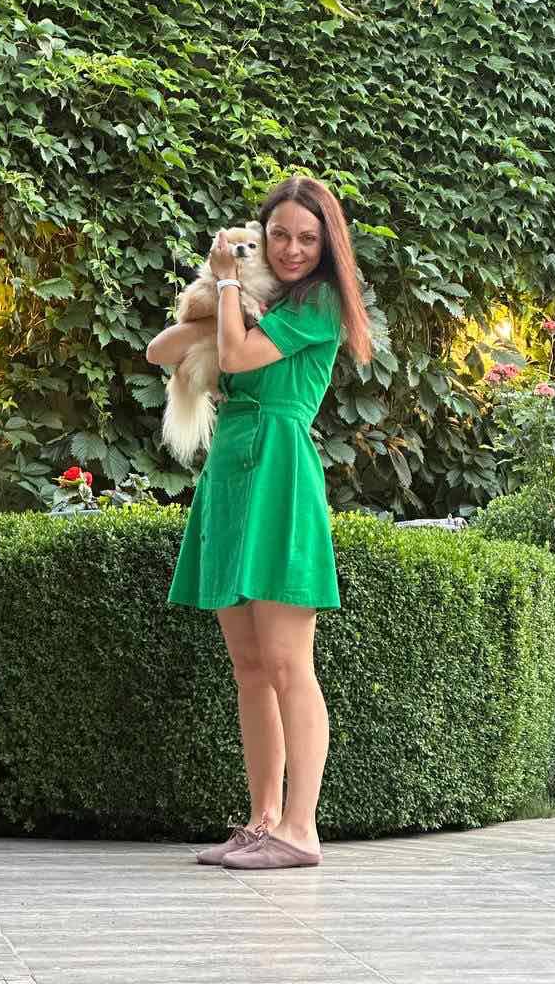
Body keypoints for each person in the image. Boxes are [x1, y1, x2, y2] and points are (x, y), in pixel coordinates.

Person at [145, 175, 372, 870]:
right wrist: (226, 293)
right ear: (261, 236)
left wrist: (226, 284)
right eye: (279, 236)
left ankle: (300, 830)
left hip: (279, 470)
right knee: (249, 668)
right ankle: (262, 820)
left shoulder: (320, 303)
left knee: (286, 663)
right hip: (232, 474)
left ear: (328, 244)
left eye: (307, 238)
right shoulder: (254, 302)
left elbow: (236, 357)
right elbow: (160, 351)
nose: (292, 249)